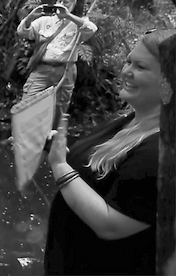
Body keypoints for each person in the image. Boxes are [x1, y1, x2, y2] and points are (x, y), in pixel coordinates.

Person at [44, 29, 176, 275]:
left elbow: (111, 225)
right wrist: (53, 146)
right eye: (128, 61)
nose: (126, 71)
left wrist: (60, 166)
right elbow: (90, 173)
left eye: (140, 67)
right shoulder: (127, 120)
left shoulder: (161, 152)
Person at [16, 0, 98, 125]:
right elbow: (22, 32)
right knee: (28, 101)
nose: (61, 4)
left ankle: (52, 137)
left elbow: (91, 29)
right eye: (60, 0)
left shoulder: (77, 23)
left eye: (66, 2)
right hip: (42, 69)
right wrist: (31, 16)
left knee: (60, 106)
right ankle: (24, 134)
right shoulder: (44, 21)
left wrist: (68, 16)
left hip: (65, 71)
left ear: (72, 5)